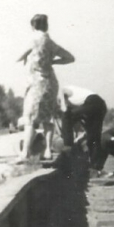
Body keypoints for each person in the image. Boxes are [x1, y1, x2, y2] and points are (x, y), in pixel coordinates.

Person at [16, 14, 75, 163]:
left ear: (33, 26)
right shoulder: (50, 42)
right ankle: (48, 151)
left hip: (36, 83)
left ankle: (25, 153)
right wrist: (53, 62)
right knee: (48, 118)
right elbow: (70, 58)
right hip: (50, 83)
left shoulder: (33, 39)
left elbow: (18, 57)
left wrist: (26, 56)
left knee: (30, 119)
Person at [60, 85, 108, 173]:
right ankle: (96, 166)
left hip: (92, 102)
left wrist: (63, 104)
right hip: (101, 105)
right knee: (93, 137)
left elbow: (65, 92)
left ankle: (68, 146)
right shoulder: (79, 99)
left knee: (66, 116)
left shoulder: (64, 90)